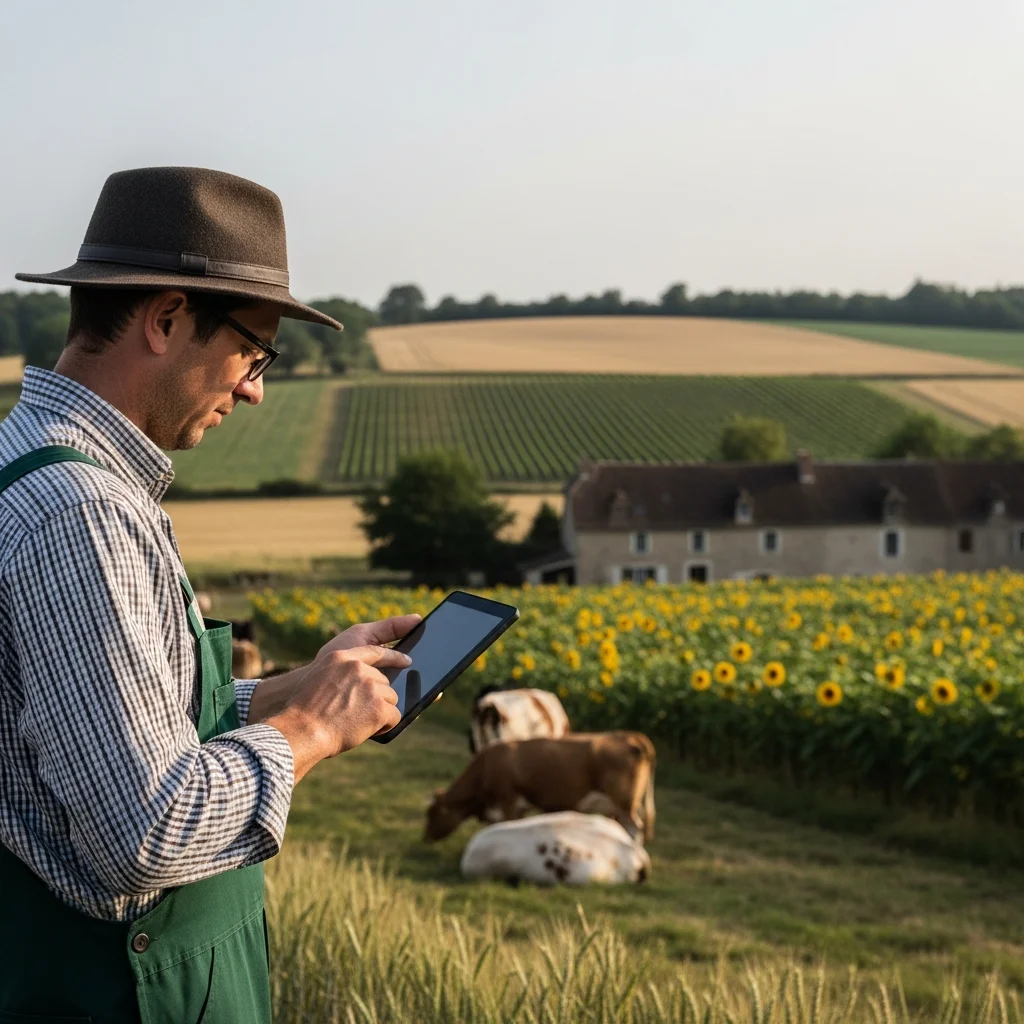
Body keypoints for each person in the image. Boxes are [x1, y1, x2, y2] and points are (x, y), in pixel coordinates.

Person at [0, 166, 418, 1022]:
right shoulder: (84, 514)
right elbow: (142, 830)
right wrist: (312, 731)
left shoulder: (33, 463)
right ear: (164, 319)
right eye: (252, 349)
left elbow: (85, 725)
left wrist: (285, 690)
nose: (256, 386)